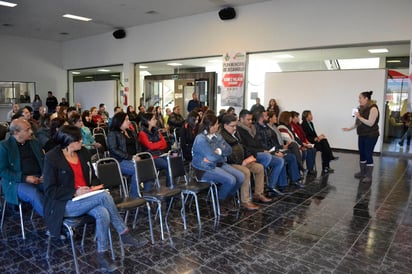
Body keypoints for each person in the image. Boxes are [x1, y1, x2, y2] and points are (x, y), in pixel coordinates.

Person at [43, 125, 147, 272]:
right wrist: (74, 192)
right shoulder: (52, 158)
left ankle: (102, 255)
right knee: (104, 196)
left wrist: (95, 187)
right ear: (67, 142)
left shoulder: (83, 153)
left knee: (103, 213)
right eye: (78, 139)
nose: (81, 141)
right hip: (64, 204)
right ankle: (124, 233)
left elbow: (93, 177)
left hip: (87, 198)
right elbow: (49, 190)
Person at [191, 114, 244, 212]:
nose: (218, 126)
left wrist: (218, 151)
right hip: (204, 169)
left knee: (241, 177)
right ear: (210, 126)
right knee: (231, 180)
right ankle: (220, 202)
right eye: (216, 124)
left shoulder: (217, 136)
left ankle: (227, 199)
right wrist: (218, 154)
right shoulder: (201, 139)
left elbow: (229, 150)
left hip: (218, 164)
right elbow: (211, 157)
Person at [220, 113, 271, 209]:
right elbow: (226, 155)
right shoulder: (222, 136)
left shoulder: (235, 133)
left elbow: (244, 147)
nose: (235, 128)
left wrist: (249, 157)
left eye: (235, 125)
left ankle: (258, 193)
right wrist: (242, 162)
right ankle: (245, 200)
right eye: (232, 126)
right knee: (246, 172)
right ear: (225, 125)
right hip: (231, 164)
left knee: (259, 167)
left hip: (242, 161)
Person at [236, 109, 288, 195]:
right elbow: (246, 147)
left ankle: (271, 185)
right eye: (248, 120)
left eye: (251, 119)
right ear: (241, 119)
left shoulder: (252, 128)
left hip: (259, 152)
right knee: (266, 157)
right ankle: (261, 180)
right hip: (250, 154)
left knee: (280, 161)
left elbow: (259, 143)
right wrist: (263, 151)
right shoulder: (239, 130)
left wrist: (267, 150)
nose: (250, 121)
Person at [0, 117, 45, 217]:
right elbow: (2, 171)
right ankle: (56, 222)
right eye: (27, 130)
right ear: (16, 133)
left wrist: (45, 173)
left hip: (39, 178)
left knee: (56, 187)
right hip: (16, 182)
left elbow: (44, 160)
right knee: (34, 194)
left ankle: (67, 214)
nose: (31, 131)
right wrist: (25, 178)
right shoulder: (4, 146)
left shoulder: (35, 143)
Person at [255, 111, 302, 187]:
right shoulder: (257, 129)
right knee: (282, 159)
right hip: (267, 152)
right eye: (266, 116)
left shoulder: (266, 127)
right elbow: (262, 145)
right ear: (261, 118)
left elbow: (274, 142)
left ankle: (295, 179)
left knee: (291, 156)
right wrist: (275, 152)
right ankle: (282, 185)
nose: (268, 117)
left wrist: (280, 148)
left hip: (274, 149)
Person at [343, 91, 380, 183]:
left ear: (366, 98)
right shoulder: (361, 108)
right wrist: (349, 128)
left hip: (371, 135)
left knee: (368, 154)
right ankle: (362, 172)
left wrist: (359, 117)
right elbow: (358, 123)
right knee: (362, 154)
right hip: (362, 134)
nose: (359, 100)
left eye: (360, 98)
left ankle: (368, 176)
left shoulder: (373, 108)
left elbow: (370, 123)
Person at [107, 112, 141, 197]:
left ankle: (146, 193)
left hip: (133, 158)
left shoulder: (131, 132)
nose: (129, 121)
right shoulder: (113, 133)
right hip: (119, 161)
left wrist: (138, 155)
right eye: (126, 119)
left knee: (146, 165)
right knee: (137, 169)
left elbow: (138, 145)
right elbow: (113, 149)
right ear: (119, 121)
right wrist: (130, 157)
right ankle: (135, 197)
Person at [138, 112, 170, 189]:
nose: (156, 120)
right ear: (148, 121)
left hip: (160, 154)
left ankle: (171, 187)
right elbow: (150, 146)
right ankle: (170, 186)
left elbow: (164, 144)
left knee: (172, 161)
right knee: (167, 165)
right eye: (154, 119)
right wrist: (158, 144)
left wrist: (155, 144)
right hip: (151, 157)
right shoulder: (142, 133)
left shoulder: (157, 131)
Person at [302, 110, 337, 174]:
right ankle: (327, 165)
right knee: (324, 147)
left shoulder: (311, 123)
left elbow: (314, 134)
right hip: (309, 143)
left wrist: (318, 137)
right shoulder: (303, 124)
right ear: (306, 116)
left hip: (314, 140)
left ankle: (327, 164)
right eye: (310, 115)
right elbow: (306, 137)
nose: (312, 116)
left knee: (324, 140)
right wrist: (316, 139)